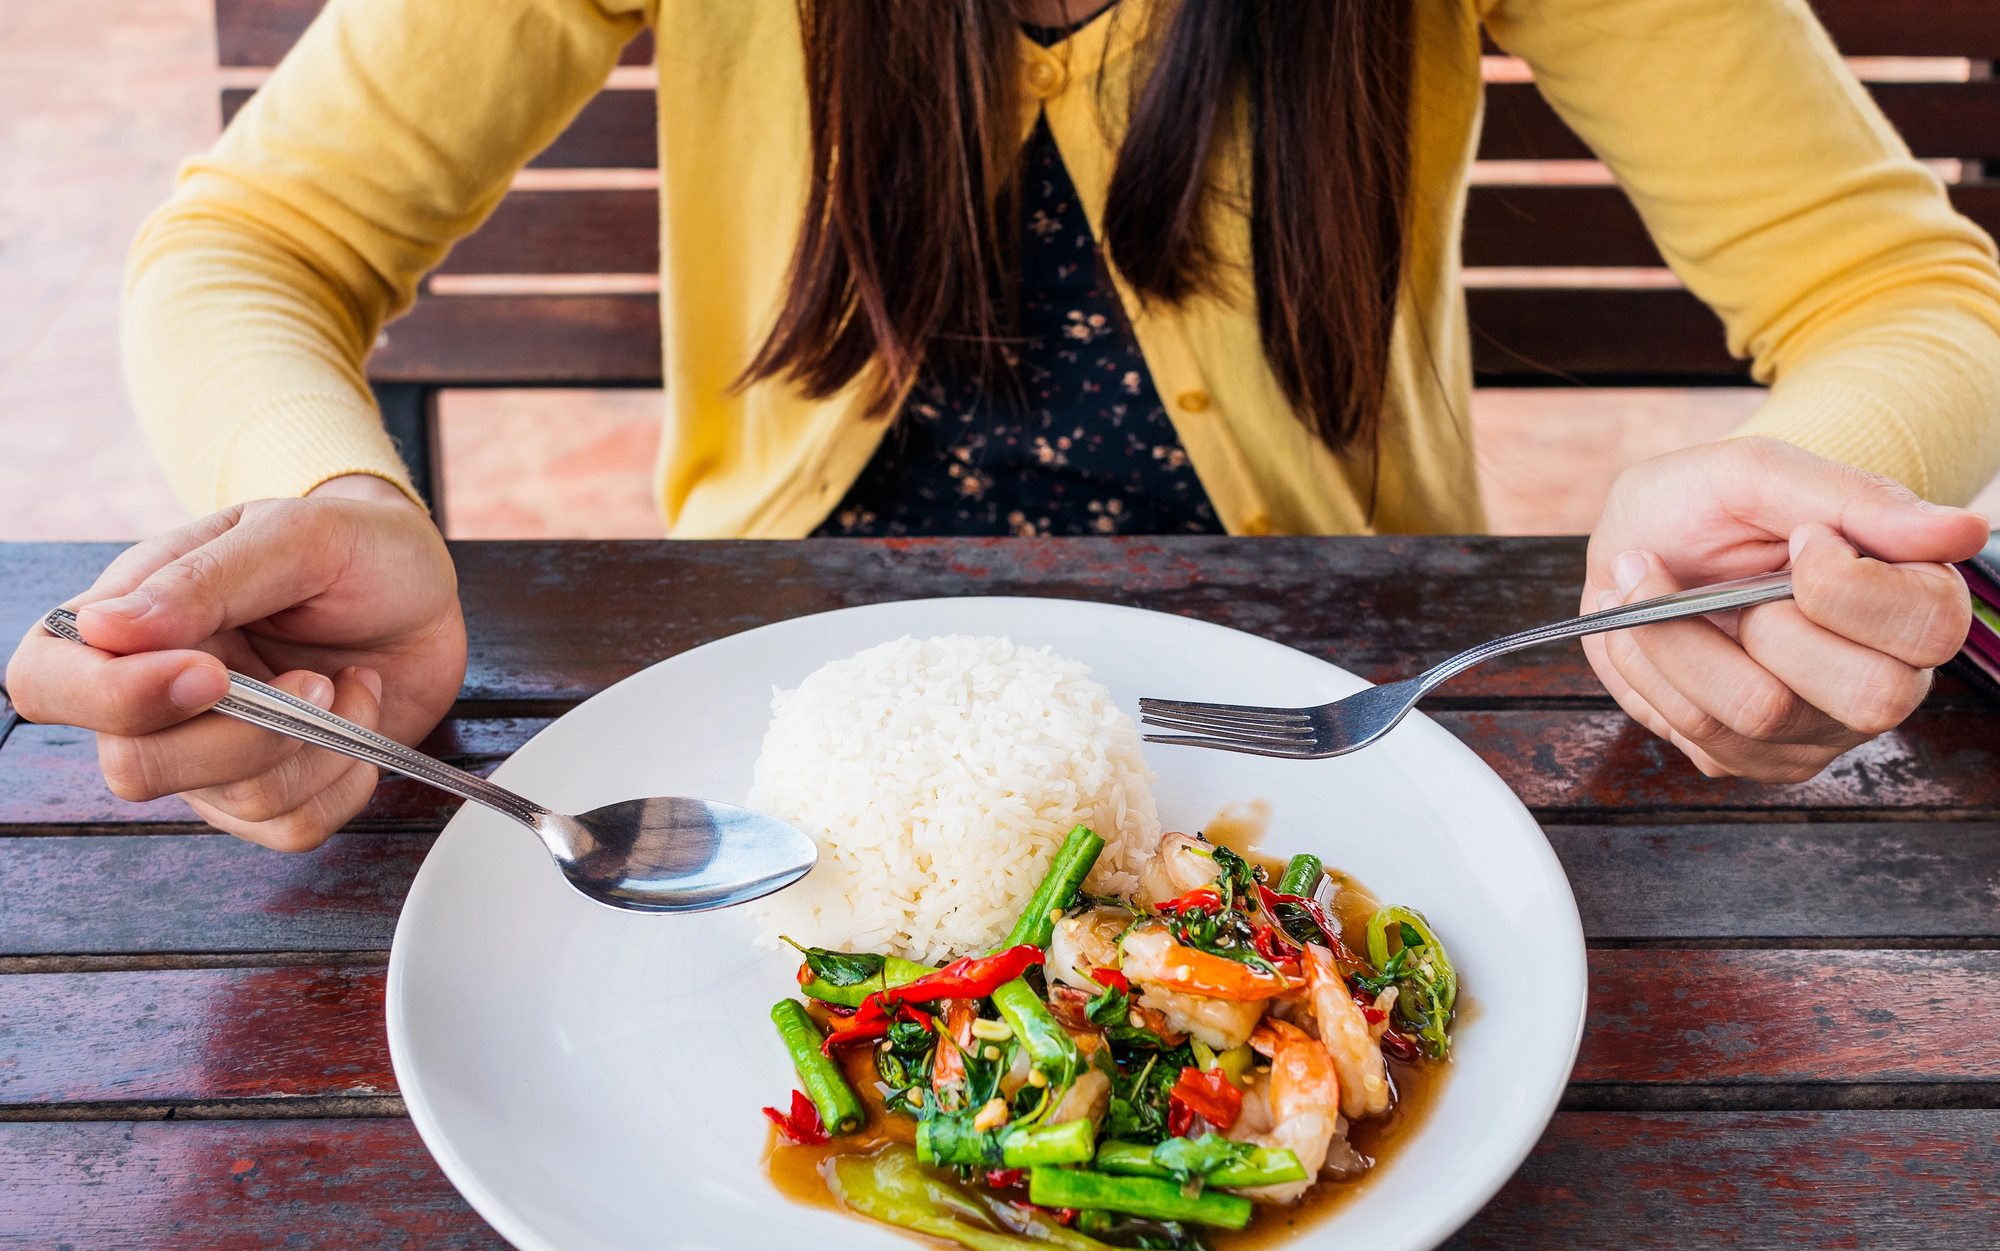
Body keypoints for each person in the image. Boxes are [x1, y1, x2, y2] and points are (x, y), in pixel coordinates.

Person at [7, 0, 1996, 851]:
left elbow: (1906, 291)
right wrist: (336, 500)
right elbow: (256, 240)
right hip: (755, 726)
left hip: (1354, 720)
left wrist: (1782, 510)